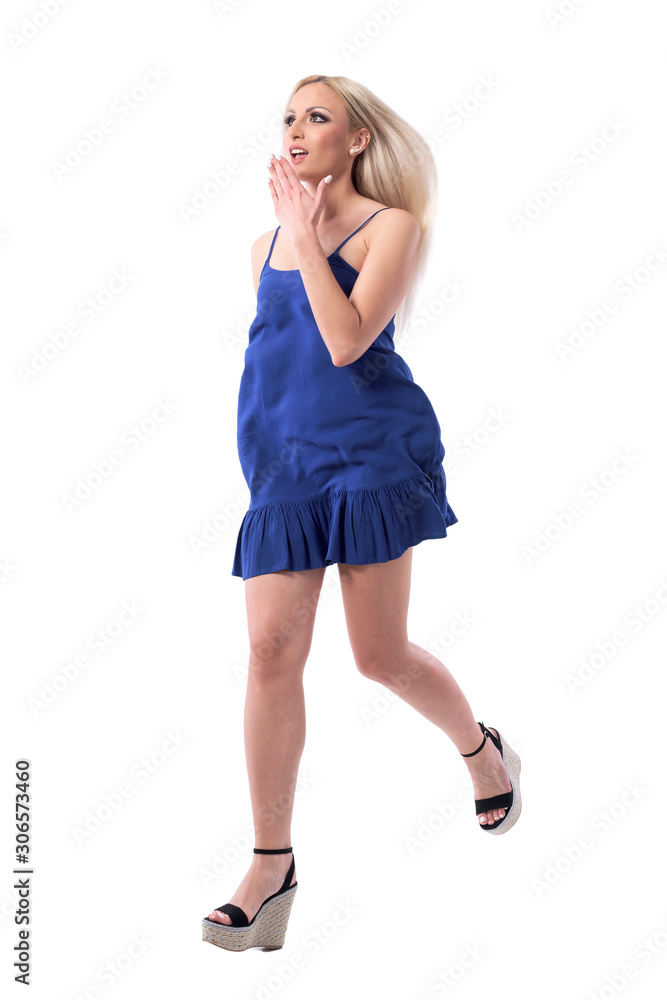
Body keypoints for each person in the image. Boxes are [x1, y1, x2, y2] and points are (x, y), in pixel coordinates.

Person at [202, 74, 522, 953]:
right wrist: (261, 463)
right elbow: (275, 365)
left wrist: (306, 237)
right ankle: (272, 865)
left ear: (354, 142)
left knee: (378, 656)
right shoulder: (263, 244)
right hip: (286, 471)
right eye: (288, 118)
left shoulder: (392, 228)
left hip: (374, 459)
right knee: (269, 651)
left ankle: (480, 750)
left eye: (318, 117)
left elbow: (347, 341)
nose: (297, 130)